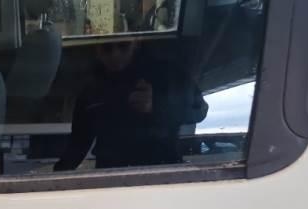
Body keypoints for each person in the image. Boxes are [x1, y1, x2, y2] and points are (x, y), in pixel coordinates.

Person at [54, 39, 207, 171]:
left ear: (136, 42)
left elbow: (199, 110)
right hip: (109, 175)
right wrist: (57, 176)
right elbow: (78, 144)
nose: (115, 54)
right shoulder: (91, 88)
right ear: (97, 49)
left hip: (163, 172)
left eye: (123, 45)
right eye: (107, 47)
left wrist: (157, 106)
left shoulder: (166, 73)